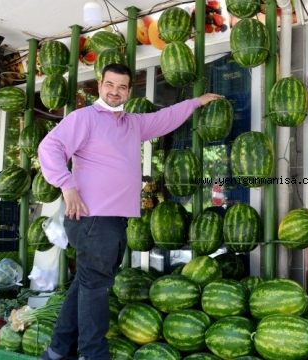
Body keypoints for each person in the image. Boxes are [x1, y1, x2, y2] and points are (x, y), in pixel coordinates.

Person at [38, 63, 222, 360]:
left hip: (112, 219)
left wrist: (195, 102)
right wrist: (66, 185)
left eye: (121, 87)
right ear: (100, 85)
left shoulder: (131, 123)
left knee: (86, 285)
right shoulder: (84, 118)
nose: (114, 92)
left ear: (128, 91)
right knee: (96, 289)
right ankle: (93, 354)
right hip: (93, 217)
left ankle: (58, 351)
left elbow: (163, 119)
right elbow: (49, 148)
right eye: (110, 85)